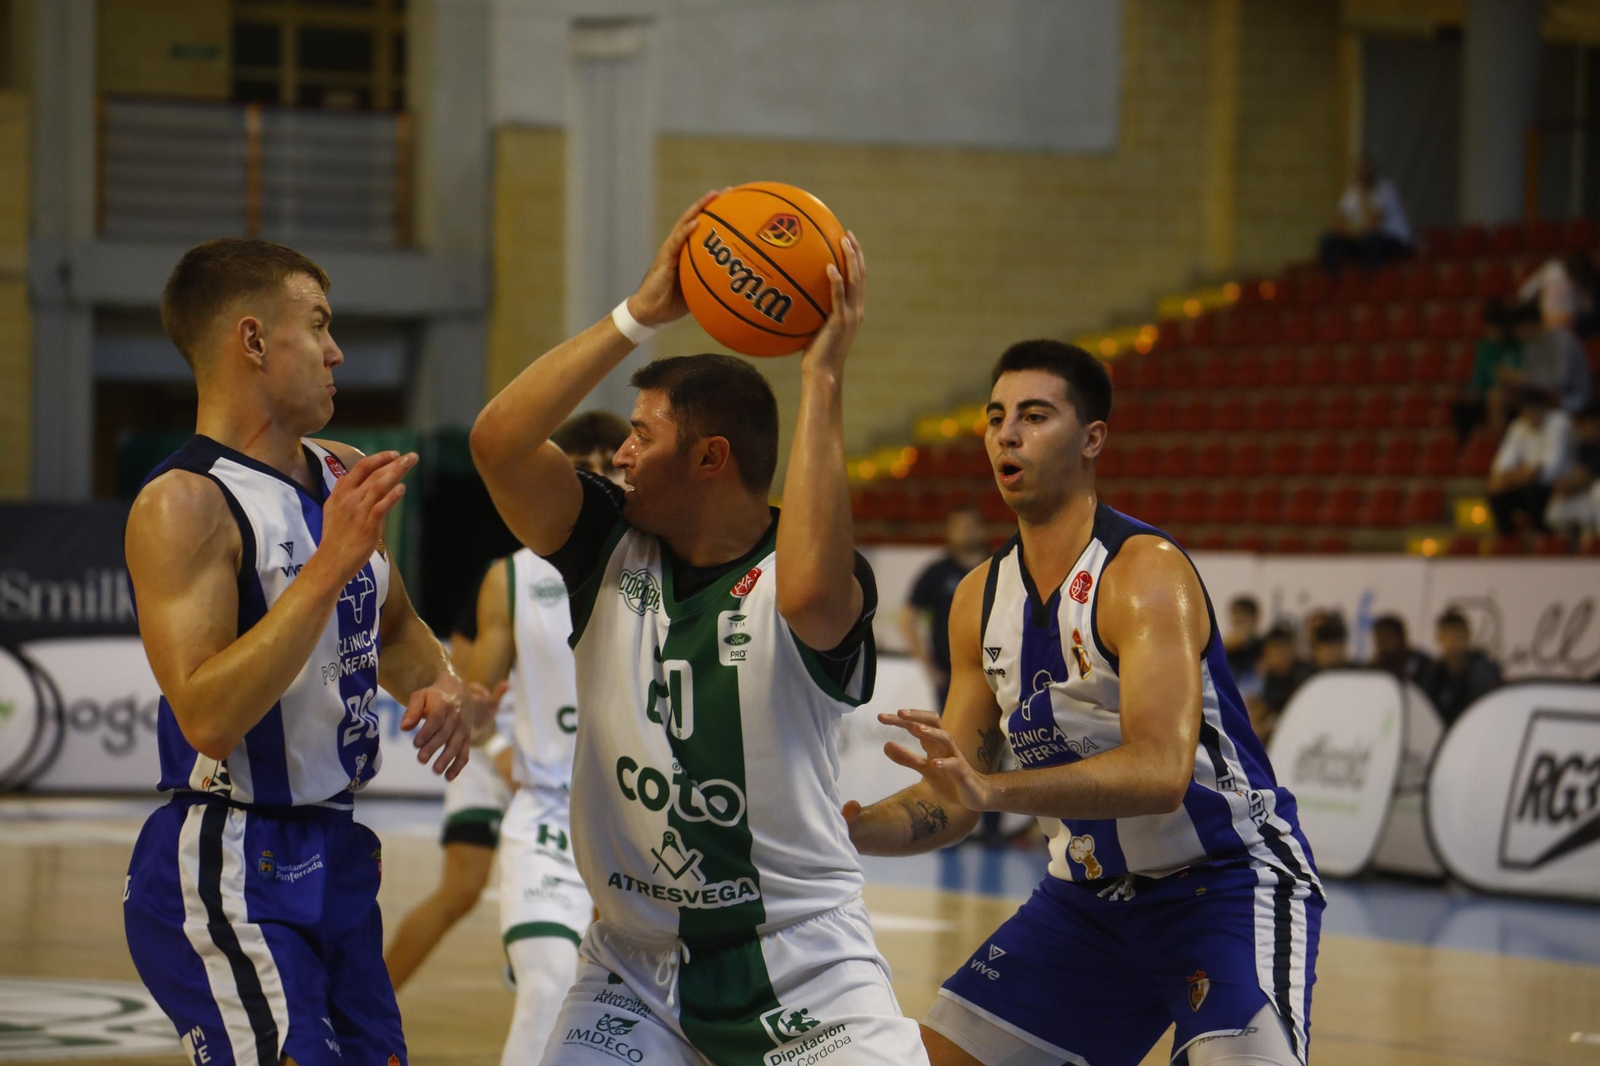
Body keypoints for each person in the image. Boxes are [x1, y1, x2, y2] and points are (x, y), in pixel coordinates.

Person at [470, 195, 928, 1065]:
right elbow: (497, 442)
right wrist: (637, 314)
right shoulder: (603, 542)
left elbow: (810, 597)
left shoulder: (807, 580)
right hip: (632, 966)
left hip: (800, 960)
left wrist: (822, 377)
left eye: (642, 436)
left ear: (712, 457)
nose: (621, 457)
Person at [844, 340, 1322, 1066]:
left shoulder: (1143, 574)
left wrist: (993, 787)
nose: (1007, 433)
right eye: (996, 417)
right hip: (1088, 902)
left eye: (1034, 416)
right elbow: (955, 800)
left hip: (1223, 883)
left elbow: (1162, 773)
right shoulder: (976, 599)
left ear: (1092, 438)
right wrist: (842, 830)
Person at [122, 238, 474, 1066]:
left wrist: (444, 685)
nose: (336, 351)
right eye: (317, 325)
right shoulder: (185, 503)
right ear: (252, 341)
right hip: (232, 854)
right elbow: (207, 713)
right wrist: (329, 563)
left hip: (338, 851)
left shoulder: (339, 472)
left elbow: (397, 630)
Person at [470, 410, 627, 1066]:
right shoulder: (509, 577)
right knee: (547, 989)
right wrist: (488, 737)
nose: (592, 487)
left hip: (638, 831)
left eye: (607, 470)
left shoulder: (667, 568)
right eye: (578, 473)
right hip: (547, 822)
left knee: (624, 1028)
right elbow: (481, 705)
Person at [383, 565, 516, 994]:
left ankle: (549, 966)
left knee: (602, 889)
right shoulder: (505, 578)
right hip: (490, 751)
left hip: (552, 762)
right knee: (460, 891)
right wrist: (494, 744)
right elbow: (463, 674)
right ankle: (375, 1000)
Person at [903, 507, 989, 710]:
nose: (966, 531)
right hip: (950, 675)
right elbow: (907, 618)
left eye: (971, 526)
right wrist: (928, 666)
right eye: (959, 527)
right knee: (953, 738)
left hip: (995, 674)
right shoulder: (936, 573)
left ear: (982, 530)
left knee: (1003, 738)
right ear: (949, 531)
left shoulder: (998, 567)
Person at [1488, 386, 1575, 533]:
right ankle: (1508, 541)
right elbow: (1500, 468)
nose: (1531, 414)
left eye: (1535, 409)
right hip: (1525, 485)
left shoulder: (1560, 423)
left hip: (1556, 488)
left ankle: (1545, 538)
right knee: (1496, 493)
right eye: (1526, 410)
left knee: (1534, 492)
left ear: (1544, 408)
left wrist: (1517, 476)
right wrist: (1521, 475)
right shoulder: (1518, 426)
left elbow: (1549, 470)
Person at [1318, 156, 1412, 275]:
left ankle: (1373, 283)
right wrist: (1348, 232)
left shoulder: (1386, 188)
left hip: (1393, 240)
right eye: (1358, 170)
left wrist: (1364, 197)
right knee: (1328, 241)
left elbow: (1374, 223)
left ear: (1372, 169)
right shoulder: (1353, 191)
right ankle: (1334, 284)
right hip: (1362, 238)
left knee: (1372, 240)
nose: (1361, 173)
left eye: (1364, 169)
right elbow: (1336, 221)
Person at [1418, 609, 1502, 726]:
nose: (1453, 642)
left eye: (1458, 636)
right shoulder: (1432, 673)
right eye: (1447, 636)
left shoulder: (1483, 671)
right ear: (1439, 638)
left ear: (1468, 636)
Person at [1545, 402, 1600, 543]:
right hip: (1584, 490)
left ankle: (1593, 541)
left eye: (1587, 424)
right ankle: (1564, 543)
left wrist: (1574, 482)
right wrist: (1567, 483)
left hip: (1593, 491)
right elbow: (1579, 472)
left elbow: (1586, 476)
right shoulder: (1586, 446)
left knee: (1597, 492)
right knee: (1559, 503)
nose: (1584, 429)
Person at [1371, 615, 1431, 686]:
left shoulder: (1420, 662)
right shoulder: (1376, 665)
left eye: (1387, 637)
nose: (1382, 642)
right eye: (1379, 638)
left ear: (1401, 636)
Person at [1222, 594, 1265, 690]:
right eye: (1234, 621)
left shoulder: (1265, 649)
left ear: (1255, 620)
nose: (1236, 627)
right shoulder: (1225, 650)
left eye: (1241, 621)